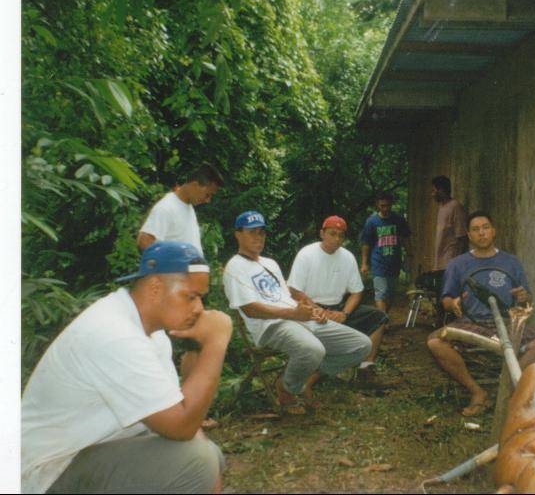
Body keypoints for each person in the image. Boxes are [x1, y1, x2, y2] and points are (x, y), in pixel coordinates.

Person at [22, 241, 231, 494]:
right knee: (198, 462)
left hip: (94, 450)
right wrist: (215, 343)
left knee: (208, 457)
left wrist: (208, 474)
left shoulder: (152, 333)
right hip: (48, 474)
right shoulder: (114, 334)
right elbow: (181, 426)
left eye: (201, 298)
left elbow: (180, 413)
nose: (199, 308)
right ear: (155, 288)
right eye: (191, 297)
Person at [223, 210, 371, 414]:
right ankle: (286, 389)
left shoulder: (270, 263)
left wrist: (313, 311)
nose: (258, 237)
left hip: (299, 319)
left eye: (261, 232)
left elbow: (287, 297)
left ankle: (302, 378)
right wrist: (293, 314)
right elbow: (250, 309)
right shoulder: (235, 267)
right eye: (252, 232)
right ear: (238, 234)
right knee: (313, 350)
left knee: (362, 345)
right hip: (271, 326)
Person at [426, 211, 535, 417]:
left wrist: (524, 297)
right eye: (476, 230)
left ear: (493, 231)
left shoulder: (511, 262)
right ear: (469, 235)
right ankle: (478, 392)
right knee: (435, 342)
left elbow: (527, 299)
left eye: (485, 228)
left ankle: (506, 391)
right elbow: (446, 300)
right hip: (470, 324)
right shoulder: (457, 264)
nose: (481, 233)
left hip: (506, 323)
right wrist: (454, 303)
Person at [288, 215, 389, 385]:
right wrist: (318, 309)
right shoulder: (306, 254)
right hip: (310, 309)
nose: (336, 239)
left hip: (338, 308)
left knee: (379, 317)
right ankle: (317, 372)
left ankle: (366, 367)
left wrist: (344, 313)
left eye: (340, 235)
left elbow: (357, 292)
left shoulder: (347, 257)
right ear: (322, 233)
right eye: (332, 234)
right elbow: (294, 290)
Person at [138, 163, 225, 254]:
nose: (208, 200)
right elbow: (144, 240)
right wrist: (171, 261)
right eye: (207, 195)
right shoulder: (166, 206)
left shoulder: (188, 207)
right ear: (195, 185)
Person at [360, 191, 412, 313]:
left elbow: (406, 238)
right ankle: (382, 321)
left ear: (391, 204)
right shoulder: (371, 222)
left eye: (388, 205)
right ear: (377, 205)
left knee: (390, 295)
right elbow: (366, 243)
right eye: (382, 206)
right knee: (381, 293)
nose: (385, 208)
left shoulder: (398, 219)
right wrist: (364, 263)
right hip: (378, 262)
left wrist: (410, 254)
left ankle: (384, 317)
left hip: (394, 262)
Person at [431, 175, 468, 271]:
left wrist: (457, 262)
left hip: (451, 261)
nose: (432, 194)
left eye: (434, 191)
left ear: (441, 190)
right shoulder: (441, 207)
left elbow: (462, 236)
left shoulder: (455, 207)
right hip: (440, 263)